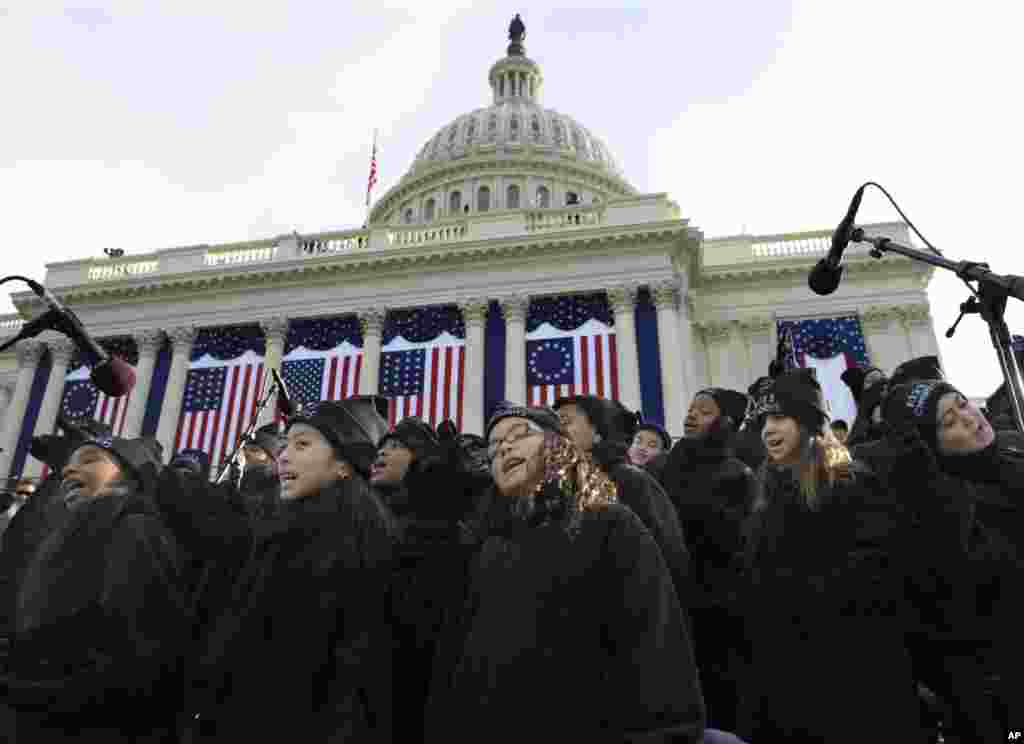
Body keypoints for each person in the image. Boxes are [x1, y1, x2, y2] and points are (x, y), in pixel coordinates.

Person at [425, 403, 706, 743]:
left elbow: (656, 649)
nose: (505, 448)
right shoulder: (486, 548)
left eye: (519, 436)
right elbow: (455, 672)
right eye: (495, 446)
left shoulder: (611, 524)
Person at [181, 397, 394, 741]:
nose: (284, 455)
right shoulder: (271, 530)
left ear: (344, 464)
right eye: (285, 445)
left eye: (302, 444)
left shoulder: (362, 545)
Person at [740, 370, 925, 742]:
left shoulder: (851, 481)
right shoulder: (764, 487)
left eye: (778, 418)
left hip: (856, 675)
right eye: (762, 421)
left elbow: (878, 576)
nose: (767, 430)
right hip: (789, 674)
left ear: (808, 423)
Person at [2, 433, 188, 743]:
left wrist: (22, 689)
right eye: (68, 465)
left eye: (89, 460)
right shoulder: (62, 539)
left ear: (128, 478)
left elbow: (137, 658)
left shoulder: (135, 529)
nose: (68, 471)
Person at [879, 380, 1019, 738]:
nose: (970, 418)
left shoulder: (1014, 458)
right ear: (928, 445)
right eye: (948, 421)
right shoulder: (941, 517)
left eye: (963, 404)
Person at [660, 388, 756, 732]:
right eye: (690, 409)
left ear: (726, 422)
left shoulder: (738, 475)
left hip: (719, 611)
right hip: (673, 603)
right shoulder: (669, 463)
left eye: (703, 411)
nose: (691, 416)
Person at [554, 395, 691, 601]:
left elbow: (668, 561)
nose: (554, 430)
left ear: (599, 431)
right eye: (552, 422)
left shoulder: (631, 481)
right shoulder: (557, 485)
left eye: (565, 422)